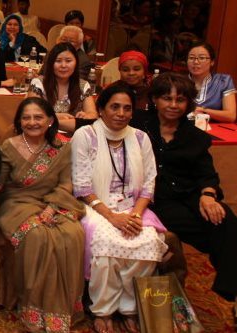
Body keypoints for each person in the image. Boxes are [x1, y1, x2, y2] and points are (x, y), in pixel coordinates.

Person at [131, 73, 237, 321]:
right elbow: (97, 125)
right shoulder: (138, 124)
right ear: (155, 99)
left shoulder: (195, 136)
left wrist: (208, 195)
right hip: (154, 199)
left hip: (190, 196)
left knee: (226, 220)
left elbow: (207, 174)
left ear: (188, 103)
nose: (173, 105)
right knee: (215, 234)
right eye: (166, 98)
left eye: (180, 99)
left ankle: (232, 293)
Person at [72, 83, 167, 333]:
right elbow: (81, 187)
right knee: (105, 244)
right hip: (96, 206)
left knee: (146, 240)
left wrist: (135, 214)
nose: (121, 113)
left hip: (133, 207)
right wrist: (112, 217)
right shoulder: (86, 136)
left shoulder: (140, 137)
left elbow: (149, 183)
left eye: (127, 108)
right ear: (101, 109)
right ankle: (102, 309)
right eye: (114, 107)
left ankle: (129, 308)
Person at [0, 97, 85, 333]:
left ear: (50, 121)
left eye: (38, 117)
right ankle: (32, 308)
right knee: (36, 235)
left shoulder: (62, 146)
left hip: (53, 202)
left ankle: (62, 311)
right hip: (16, 203)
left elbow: (66, 184)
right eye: (26, 117)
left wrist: (52, 207)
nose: (32, 122)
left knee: (72, 234)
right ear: (19, 121)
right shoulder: (9, 146)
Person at [27, 43, 96, 133]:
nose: (63, 65)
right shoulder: (39, 83)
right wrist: (58, 117)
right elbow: (33, 113)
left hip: (73, 136)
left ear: (76, 63)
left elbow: (93, 115)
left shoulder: (83, 85)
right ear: (51, 63)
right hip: (44, 134)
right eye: (58, 61)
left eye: (68, 61)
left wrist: (86, 116)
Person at [187, 43, 236, 123]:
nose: (196, 62)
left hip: (213, 130)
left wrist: (203, 111)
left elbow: (231, 116)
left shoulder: (223, 81)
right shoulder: (179, 81)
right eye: (191, 58)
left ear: (212, 62)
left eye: (202, 58)